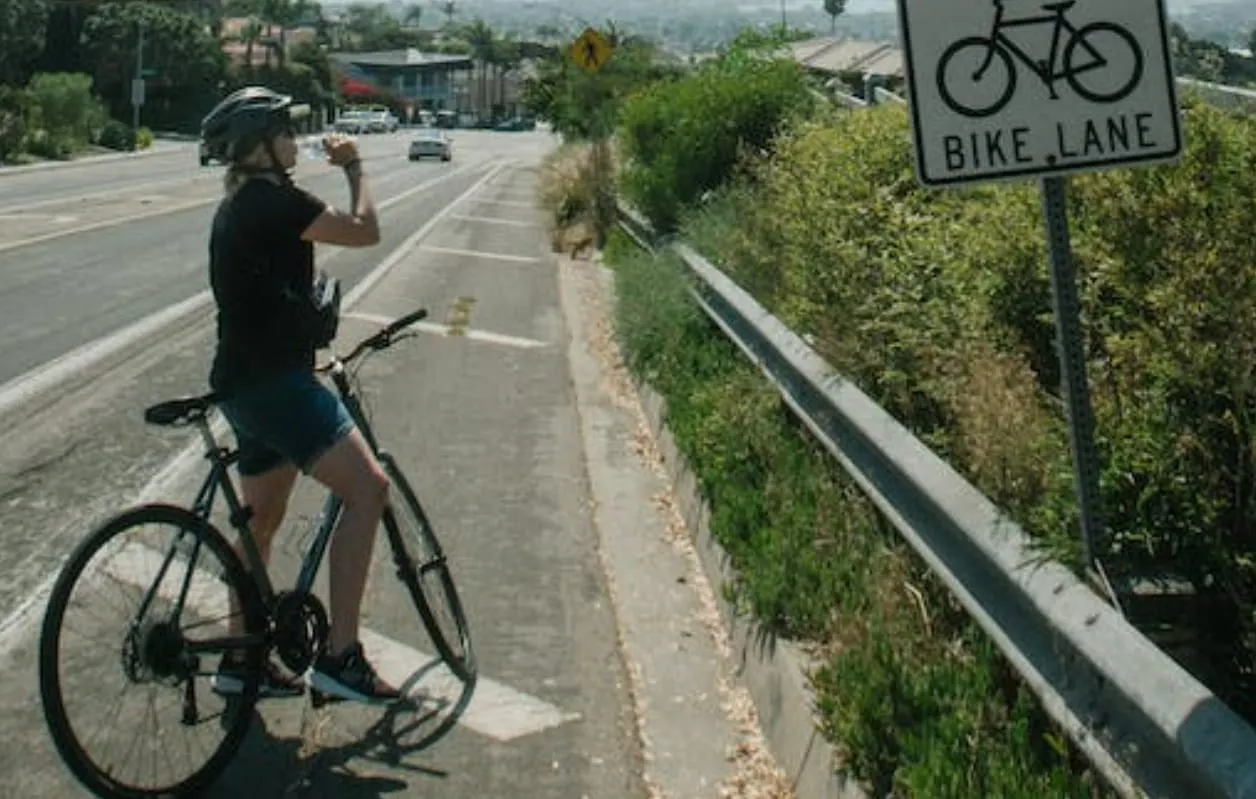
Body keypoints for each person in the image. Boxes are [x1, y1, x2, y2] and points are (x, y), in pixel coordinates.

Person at [198, 85, 400, 705]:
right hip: (278, 386)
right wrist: (355, 166)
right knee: (369, 491)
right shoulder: (275, 201)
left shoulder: (241, 205)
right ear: (261, 146)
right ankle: (342, 658)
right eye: (285, 128)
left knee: (260, 526)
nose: (295, 137)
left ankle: (240, 661)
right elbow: (365, 231)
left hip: (241, 384)